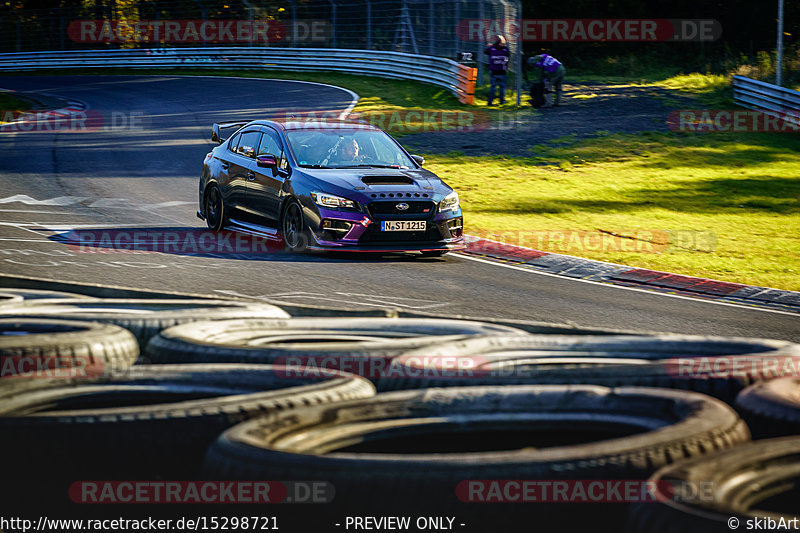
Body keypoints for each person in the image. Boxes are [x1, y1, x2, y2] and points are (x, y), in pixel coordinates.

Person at [484, 35, 510, 106]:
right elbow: (508, 55)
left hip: (493, 71)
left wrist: (491, 46)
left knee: (493, 87)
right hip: (502, 71)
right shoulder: (505, 49)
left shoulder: (491, 48)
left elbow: (485, 51)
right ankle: (502, 101)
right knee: (502, 87)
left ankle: (490, 102)